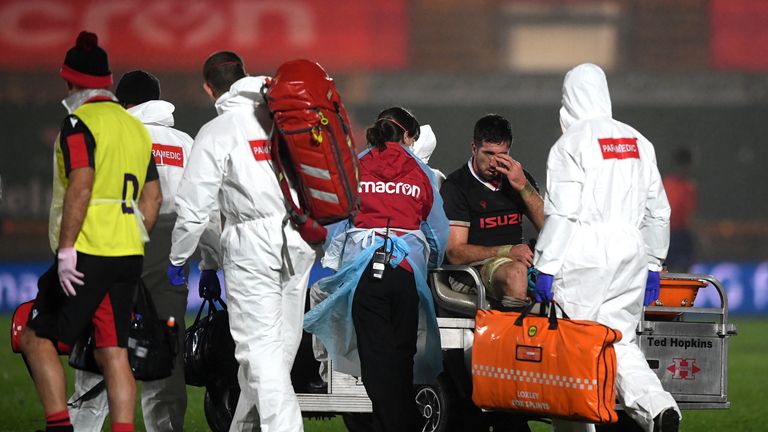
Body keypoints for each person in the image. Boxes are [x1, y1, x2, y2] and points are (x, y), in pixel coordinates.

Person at [167, 51, 316, 432]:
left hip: (253, 245)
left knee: (260, 356)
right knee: (276, 353)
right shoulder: (283, 118)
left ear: (208, 88)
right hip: (298, 239)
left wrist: (179, 259)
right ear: (246, 75)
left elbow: (195, 211)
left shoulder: (220, 131)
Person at [20, 31, 161, 432]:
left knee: (34, 337)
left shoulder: (79, 123)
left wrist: (67, 251)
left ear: (69, 81)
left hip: (88, 251)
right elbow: (153, 198)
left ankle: (60, 426)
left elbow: (81, 182)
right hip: (128, 254)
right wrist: (133, 238)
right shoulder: (134, 128)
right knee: (113, 351)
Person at [68, 70, 218, 431]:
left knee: (99, 349)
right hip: (171, 255)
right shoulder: (185, 142)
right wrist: (211, 263)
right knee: (164, 355)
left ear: (124, 102)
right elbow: (205, 208)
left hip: (115, 247)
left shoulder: (112, 134)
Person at [532, 63, 679, 432]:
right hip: (630, 252)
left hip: (583, 254)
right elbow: (658, 211)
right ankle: (658, 406)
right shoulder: (637, 141)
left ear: (568, 98)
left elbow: (563, 213)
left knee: (572, 350)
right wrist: (654, 263)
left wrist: (546, 266)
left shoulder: (569, 144)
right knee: (621, 343)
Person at [304, 107, 449, 432]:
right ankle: (402, 424)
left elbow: (335, 226)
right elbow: (438, 233)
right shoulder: (421, 172)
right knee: (402, 359)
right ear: (409, 136)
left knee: (374, 361)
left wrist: (339, 260)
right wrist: (429, 264)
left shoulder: (354, 167)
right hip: (406, 275)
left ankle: (396, 425)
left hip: (364, 275)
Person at [439, 114, 544, 310]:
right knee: (516, 275)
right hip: (471, 270)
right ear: (474, 148)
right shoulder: (457, 186)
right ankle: (512, 339)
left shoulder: (518, 178)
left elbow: (551, 229)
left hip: (517, 260)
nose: (495, 163)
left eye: (501, 154)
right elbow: (454, 253)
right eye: (488, 153)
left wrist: (523, 187)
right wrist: (508, 252)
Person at [662, 147, 697, 273]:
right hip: (676, 236)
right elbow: (689, 217)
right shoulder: (686, 186)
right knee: (680, 272)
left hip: (668, 235)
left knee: (672, 272)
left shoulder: (666, 184)